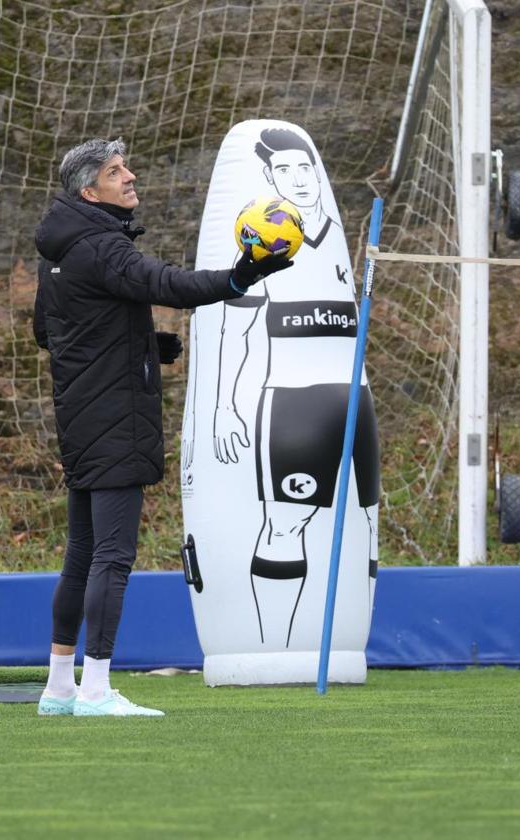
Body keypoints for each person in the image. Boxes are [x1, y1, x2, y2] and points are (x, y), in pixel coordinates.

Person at [32, 138, 290, 716]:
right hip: (116, 418)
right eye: (114, 171)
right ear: (88, 191)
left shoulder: (61, 248)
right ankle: (96, 689)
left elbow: (51, 333)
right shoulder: (101, 246)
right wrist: (242, 275)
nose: (129, 176)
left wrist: (144, 346)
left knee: (82, 554)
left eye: (125, 167)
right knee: (112, 557)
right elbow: (169, 284)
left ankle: (59, 687)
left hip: (80, 414)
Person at [212, 127, 379, 648]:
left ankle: (346, 650)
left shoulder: (335, 234)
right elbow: (234, 328)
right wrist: (224, 408)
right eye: (284, 170)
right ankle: (272, 652)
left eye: (304, 167)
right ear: (269, 179)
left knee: (366, 522)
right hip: (292, 403)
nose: (299, 178)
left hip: (353, 400)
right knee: (286, 524)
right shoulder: (260, 242)